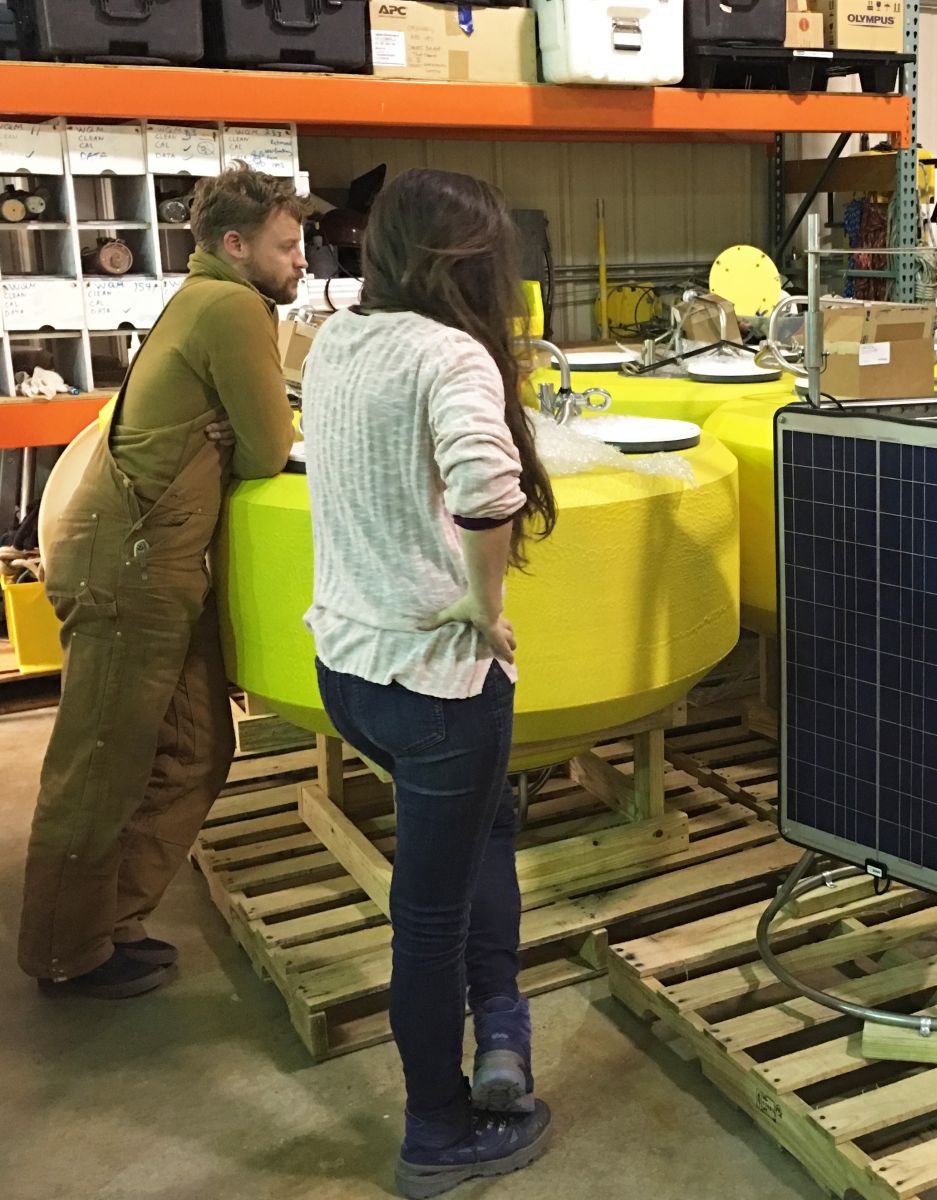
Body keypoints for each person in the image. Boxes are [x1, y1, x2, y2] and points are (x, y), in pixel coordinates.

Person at [300, 168, 557, 1199]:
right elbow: (490, 487)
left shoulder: (342, 340)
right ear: (472, 264)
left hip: (348, 668)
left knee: (483, 836)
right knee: (428, 916)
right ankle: (437, 1132)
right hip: (435, 682)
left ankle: (502, 1030)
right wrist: (477, 601)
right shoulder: (449, 352)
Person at [19, 164, 303, 999]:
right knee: (100, 763)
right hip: (128, 564)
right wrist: (245, 430)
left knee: (197, 748)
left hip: (153, 561)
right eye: (286, 247)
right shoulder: (230, 305)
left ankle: (112, 923)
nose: (300, 263)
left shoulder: (201, 298)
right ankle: (64, 954)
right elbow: (263, 448)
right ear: (234, 245)